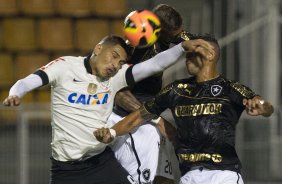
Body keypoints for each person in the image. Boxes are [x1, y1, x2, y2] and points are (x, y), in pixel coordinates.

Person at [2, 34, 210, 184]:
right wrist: (15, 93)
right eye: (113, 56)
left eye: (121, 62)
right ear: (99, 48)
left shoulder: (115, 78)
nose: (115, 65)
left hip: (100, 162)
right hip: (65, 169)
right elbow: (28, 81)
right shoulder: (65, 66)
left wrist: (182, 47)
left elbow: (154, 65)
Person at [94, 34, 274, 184]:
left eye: (192, 53)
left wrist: (261, 105)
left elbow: (265, 106)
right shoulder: (176, 89)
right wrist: (111, 132)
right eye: (186, 53)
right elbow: (138, 117)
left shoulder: (230, 88)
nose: (187, 57)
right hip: (189, 176)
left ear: (210, 54)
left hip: (223, 175)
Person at [108, 4, 192, 184]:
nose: (176, 38)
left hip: (150, 116)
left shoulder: (167, 38)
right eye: (172, 36)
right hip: (129, 120)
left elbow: (192, 41)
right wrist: (156, 119)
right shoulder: (131, 49)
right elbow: (119, 93)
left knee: (164, 178)